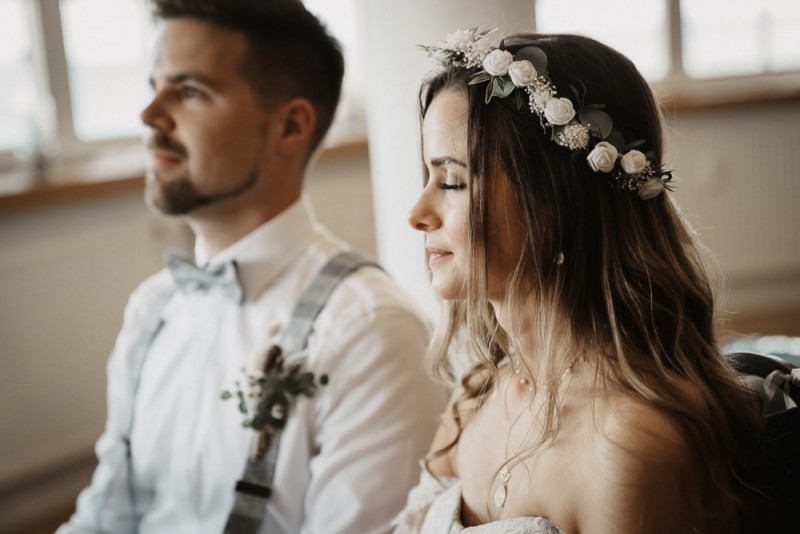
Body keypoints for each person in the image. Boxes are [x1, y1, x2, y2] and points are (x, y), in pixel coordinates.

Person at [58, 1, 444, 532]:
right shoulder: (152, 308)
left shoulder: (373, 333)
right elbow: (107, 512)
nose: (149, 114)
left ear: (289, 126)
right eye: (154, 85)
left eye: (190, 91)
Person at [394, 29, 769, 533]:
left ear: (556, 203)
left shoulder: (627, 447)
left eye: (454, 181)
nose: (417, 213)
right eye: (427, 177)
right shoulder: (478, 392)